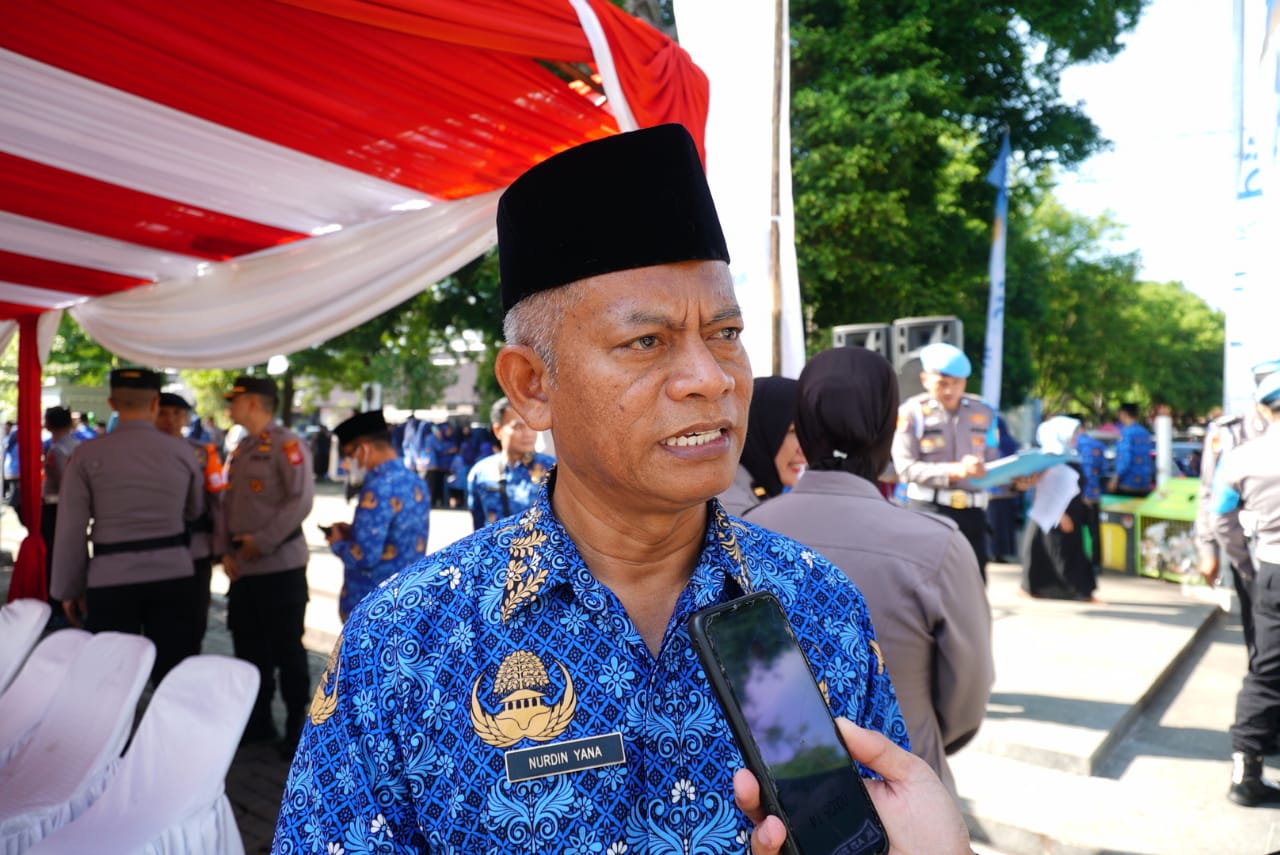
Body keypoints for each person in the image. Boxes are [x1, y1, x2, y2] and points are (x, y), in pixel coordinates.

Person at [273, 124, 943, 852]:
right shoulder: (406, 643)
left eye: (725, 333)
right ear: (532, 385)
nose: (710, 377)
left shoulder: (818, 603)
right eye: (645, 342)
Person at [747, 346, 993, 801]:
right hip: (904, 792)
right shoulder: (939, 546)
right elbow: (967, 700)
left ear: (803, 426)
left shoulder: (741, 534)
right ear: (887, 429)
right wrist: (913, 730)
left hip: (778, 797)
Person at [49, 368, 205, 685]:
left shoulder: (86, 454)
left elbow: (71, 530)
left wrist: (68, 589)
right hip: (173, 574)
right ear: (155, 403)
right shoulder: (183, 452)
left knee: (110, 680)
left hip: (110, 578)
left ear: (112, 403)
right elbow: (194, 510)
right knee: (172, 677)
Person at [218, 374, 316, 755]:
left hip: (280, 569)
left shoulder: (288, 444)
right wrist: (225, 550)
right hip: (244, 570)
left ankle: (297, 727)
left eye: (234, 400)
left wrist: (261, 541)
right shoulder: (242, 447)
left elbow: (300, 501)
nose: (229, 408)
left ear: (253, 403)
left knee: (287, 650)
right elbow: (228, 503)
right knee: (248, 649)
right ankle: (258, 722)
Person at [1211, 370, 1280, 807]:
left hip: (1272, 569)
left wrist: (1245, 564)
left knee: (1266, 670)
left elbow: (1221, 518)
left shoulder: (1241, 458)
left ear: (1263, 409)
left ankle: (1246, 773)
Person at [892, 341, 1000, 581]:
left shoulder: (983, 412)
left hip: (973, 514)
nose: (950, 391)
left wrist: (1017, 479)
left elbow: (994, 461)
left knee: (973, 586)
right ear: (925, 379)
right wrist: (954, 471)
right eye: (942, 383)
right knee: (926, 586)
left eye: (957, 383)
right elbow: (905, 468)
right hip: (927, 512)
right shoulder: (912, 413)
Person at [1198, 357, 1279, 664]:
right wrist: (1208, 549)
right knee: (1260, 645)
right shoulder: (1230, 432)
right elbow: (1210, 494)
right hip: (1249, 552)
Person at [323, 410, 430, 621]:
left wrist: (337, 543)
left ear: (364, 449)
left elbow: (365, 556)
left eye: (349, 455)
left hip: (371, 609)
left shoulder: (378, 487)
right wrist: (354, 531)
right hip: (405, 601)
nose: (347, 463)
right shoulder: (416, 481)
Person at [156, 392, 228, 650]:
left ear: (187, 418)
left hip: (195, 548)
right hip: (154, 549)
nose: (170, 419)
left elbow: (218, 501)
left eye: (177, 413)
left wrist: (220, 547)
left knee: (194, 617)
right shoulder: (142, 452)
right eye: (163, 413)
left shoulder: (203, 453)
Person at [1019, 416, 1098, 602]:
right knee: (1055, 551)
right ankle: (1073, 591)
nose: (1075, 437)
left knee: (1067, 552)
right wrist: (1060, 515)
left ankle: (1078, 591)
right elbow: (1047, 489)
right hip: (1055, 516)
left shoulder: (1068, 455)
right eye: (1072, 434)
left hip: (1069, 513)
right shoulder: (1050, 458)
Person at [717, 375, 806, 516]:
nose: (804, 450)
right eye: (792, 431)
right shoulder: (737, 509)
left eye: (809, 432)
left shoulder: (758, 494)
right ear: (759, 428)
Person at [465, 396, 556, 530]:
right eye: (518, 427)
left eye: (531, 426)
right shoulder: (481, 473)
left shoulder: (553, 470)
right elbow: (478, 525)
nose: (528, 433)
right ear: (498, 431)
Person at [40, 406, 79, 609]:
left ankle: (57, 602)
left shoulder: (57, 450)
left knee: (55, 556)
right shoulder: (77, 446)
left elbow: (65, 481)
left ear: (48, 424)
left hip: (56, 507)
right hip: (72, 507)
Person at [1108, 402, 1154, 496]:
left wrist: (1115, 480)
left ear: (1123, 414)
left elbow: (1124, 459)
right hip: (1144, 484)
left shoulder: (1126, 433)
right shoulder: (1145, 433)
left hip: (1128, 484)